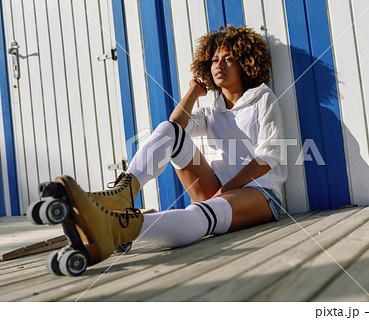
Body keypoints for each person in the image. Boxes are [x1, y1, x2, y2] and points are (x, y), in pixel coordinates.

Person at [56, 25, 287, 266]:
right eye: (215, 60)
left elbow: (267, 158)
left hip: (260, 195)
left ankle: (116, 228)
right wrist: (194, 92)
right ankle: (125, 192)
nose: (219, 65)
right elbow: (174, 125)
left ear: (246, 64)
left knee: (200, 215)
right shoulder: (211, 111)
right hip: (217, 190)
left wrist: (225, 191)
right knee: (169, 131)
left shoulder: (262, 98)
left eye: (229, 59)